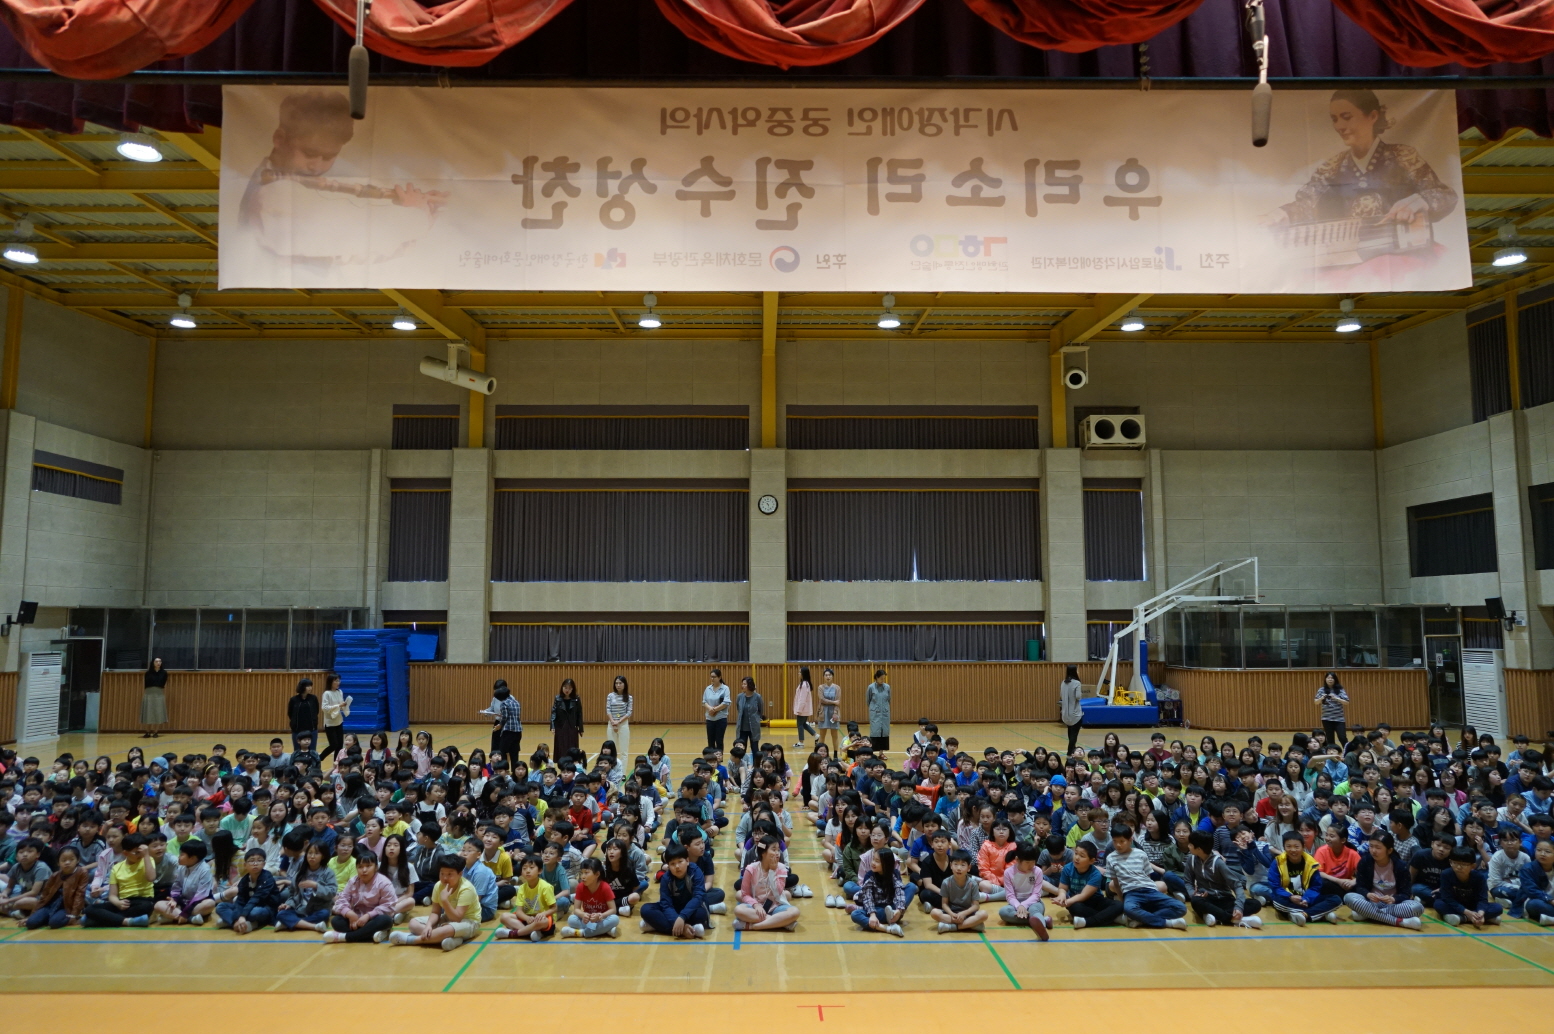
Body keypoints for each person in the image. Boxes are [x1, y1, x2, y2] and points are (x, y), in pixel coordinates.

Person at [391, 853, 480, 950]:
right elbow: (435, 912)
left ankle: (412, 940)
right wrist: (428, 926)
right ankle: (449, 938)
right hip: (447, 918)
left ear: (460, 874)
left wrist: (445, 900)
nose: (445, 878)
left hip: (469, 922)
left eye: (450, 874)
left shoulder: (466, 889)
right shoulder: (438, 886)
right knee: (413, 923)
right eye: (442, 873)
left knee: (447, 929)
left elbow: (457, 919)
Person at [1109, 823, 1188, 930]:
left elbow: (1148, 876)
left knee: (1181, 908)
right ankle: (1167, 923)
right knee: (1129, 909)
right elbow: (1116, 883)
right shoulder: (1111, 858)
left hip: (1150, 890)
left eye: (1122, 841)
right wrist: (1123, 901)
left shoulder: (1141, 854)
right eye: (1115, 841)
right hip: (1131, 893)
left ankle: (1142, 920)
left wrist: (1151, 892)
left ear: (1130, 840)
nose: (1118, 845)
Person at [1343, 832, 1423, 930]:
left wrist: (1393, 899)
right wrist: (1368, 894)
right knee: (1349, 897)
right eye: (1371, 846)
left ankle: (1367, 914)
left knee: (1418, 907)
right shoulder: (1365, 862)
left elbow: (1406, 893)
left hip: (1393, 905)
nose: (1373, 851)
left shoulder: (1400, 866)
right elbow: (1360, 886)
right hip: (1371, 902)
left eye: (1378, 847)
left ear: (1389, 850)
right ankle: (1400, 922)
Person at [734, 836, 800, 932]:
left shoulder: (781, 868)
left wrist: (773, 872)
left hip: (776, 906)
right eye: (774, 850)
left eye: (778, 850)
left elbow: (777, 893)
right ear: (763, 853)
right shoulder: (751, 869)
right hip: (756, 907)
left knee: (795, 912)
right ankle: (781, 923)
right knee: (738, 910)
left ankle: (753, 926)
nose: (778, 853)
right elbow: (745, 894)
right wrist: (756, 905)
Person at [482, 680, 523, 763]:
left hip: (506, 726)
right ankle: (496, 765)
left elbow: (506, 717)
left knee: (504, 750)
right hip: (507, 726)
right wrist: (486, 712)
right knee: (496, 746)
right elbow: (492, 708)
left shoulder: (509, 699)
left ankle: (502, 766)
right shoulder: (497, 698)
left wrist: (500, 725)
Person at [319, 672, 350, 763]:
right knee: (333, 745)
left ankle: (336, 763)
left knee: (339, 746)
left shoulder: (339, 692)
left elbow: (341, 704)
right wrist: (338, 706)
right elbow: (324, 708)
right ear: (331, 682)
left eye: (338, 680)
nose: (338, 682)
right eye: (336, 681)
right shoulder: (327, 693)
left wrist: (345, 704)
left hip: (339, 721)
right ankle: (319, 758)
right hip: (330, 723)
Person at [550, 678, 584, 758]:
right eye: (565, 687)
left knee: (572, 745)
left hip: (572, 726)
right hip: (560, 726)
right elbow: (553, 713)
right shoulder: (558, 698)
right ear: (562, 688)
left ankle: (572, 762)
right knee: (561, 746)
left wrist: (581, 728)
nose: (567, 690)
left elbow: (579, 714)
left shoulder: (576, 699)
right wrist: (552, 726)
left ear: (573, 689)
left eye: (569, 688)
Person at [1315, 672, 1349, 748]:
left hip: (1339, 719)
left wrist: (1336, 698)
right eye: (1328, 678)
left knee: (1342, 738)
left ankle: (1347, 754)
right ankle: (1332, 755)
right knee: (1330, 739)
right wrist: (1321, 698)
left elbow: (1347, 702)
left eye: (1332, 678)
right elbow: (1316, 702)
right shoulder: (1321, 690)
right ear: (1325, 679)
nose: (1330, 679)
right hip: (1326, 718)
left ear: (1335, 679)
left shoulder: (1340, 690)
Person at [288, 678, 320, 754]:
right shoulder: (294, 699)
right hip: (297, 729)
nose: (310, 688)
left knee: (312, 751)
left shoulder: (313, 698)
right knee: (297, 751)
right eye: (308, 686)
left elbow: (316, 711)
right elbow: (290, 713)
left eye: (311, 686)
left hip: (311, 729)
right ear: (302, 687)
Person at [733, 677, 765, 752]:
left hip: (753, 727)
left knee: (754, 748)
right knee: (741, 748)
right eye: (742, 684)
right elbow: (739, 709)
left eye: (744, 684)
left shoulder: (758, 697)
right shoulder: (739, 697)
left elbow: (760, 710)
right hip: (742, 728)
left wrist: (756, 719)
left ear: (750, 685)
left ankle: (755, 763)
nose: (742, 686)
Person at [606, 676, 633, 762]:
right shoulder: (610, 696)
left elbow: (629, 712)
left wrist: (619, 721)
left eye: (620, 683)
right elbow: (608, 709)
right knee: (611, 750)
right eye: (616, 683)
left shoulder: (629, 697)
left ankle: (623, 774)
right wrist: (613, 722)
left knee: (624, 752)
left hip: (623, 724)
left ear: (624, 684)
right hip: (611, 724)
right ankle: (612, 772)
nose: (618, 685)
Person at [703, 669, 731, 751]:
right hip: (709, 718)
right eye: (711, 677)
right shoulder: (708, 688)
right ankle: (711, 760)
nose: (712, 679)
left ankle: (719, 759)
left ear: (719, 677)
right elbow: (704, 701)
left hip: (721, 718)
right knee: (710, 741)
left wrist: (714, 709)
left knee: (719, 740)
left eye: (714, 677)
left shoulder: (725, 688)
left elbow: (726, 702)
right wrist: (710, 709)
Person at [1059, 665, 1084, 755]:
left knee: (1070, 732)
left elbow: (1061, 696)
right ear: (1075, 671)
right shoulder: (1077, 683)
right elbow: (1078, 697)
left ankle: (1073, 750)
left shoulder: (1063, 682)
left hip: (1065, 714)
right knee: (1074, 735)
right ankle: (1070, 752)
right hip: (1075, 713)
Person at [141, 658, 169, 739]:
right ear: (153, 663)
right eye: (156, 661)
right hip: (149, 693)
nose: (158, 663)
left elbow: (163, 683)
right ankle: (147, 732)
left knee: (158, 712)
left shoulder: (164, 673)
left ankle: (156, 732)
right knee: (148, 712)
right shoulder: (148, 673)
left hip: (159, 693)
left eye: (160, 661)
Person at [817, 668, 842, 754]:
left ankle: (835, 754)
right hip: (823, 712)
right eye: (826, 675)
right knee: (822, 734)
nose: (828, 677)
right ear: (824, 677)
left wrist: (835, 713)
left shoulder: (837, 688)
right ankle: (820, 753)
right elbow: (822, 700)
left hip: (833, 712)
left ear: (832, 676)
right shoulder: (820, 687)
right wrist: (833, 702)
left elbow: (838, 701)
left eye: (829, 675)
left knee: (834, 735)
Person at [866, 670, 892, 752]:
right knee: (875, 732)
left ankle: (881, 753)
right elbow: (868, 700)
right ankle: (872, 752)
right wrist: (873, 708)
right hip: (875, 713)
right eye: (881, 678)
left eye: (884, 678)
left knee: (884, 732)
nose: (882, 680)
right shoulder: (871, 687)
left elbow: (889, 699)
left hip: (885, 713)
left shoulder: (887, 687)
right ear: (876, 678)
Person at [792, 666, 815, 748]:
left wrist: (799, 709)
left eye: (799, 672)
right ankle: (815, 735)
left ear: (803, 674)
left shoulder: (804, 685)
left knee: (800, 725)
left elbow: (802, 699)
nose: (798, 674)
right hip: (803, 709)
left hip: (802, 710)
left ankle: (801, 742)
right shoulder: (805, 684)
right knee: (803, 724)